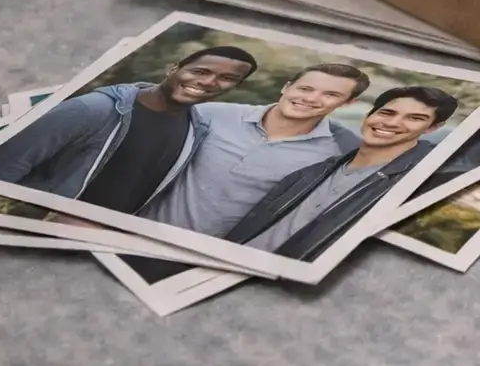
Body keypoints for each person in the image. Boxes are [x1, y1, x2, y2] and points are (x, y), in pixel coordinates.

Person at [0, 46, 259, 215]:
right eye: (200, 71)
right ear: (173, 69)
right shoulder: (92, 109)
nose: (209, 82)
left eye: (226, 79)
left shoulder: (197, 131)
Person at [223, 85, 461, 260]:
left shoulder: (420, 186)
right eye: (387, 113)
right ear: (370, 115)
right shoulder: (312, 171)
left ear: (433, 127)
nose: (392, 123)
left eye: (415, 118)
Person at [138, 62, 370, 239]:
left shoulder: (334, 155)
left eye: (331, 95)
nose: (310, 99)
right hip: (140, 231)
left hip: (215, 258)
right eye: (305, 88)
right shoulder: (211, 114)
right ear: (286, 87)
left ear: (348, 103)